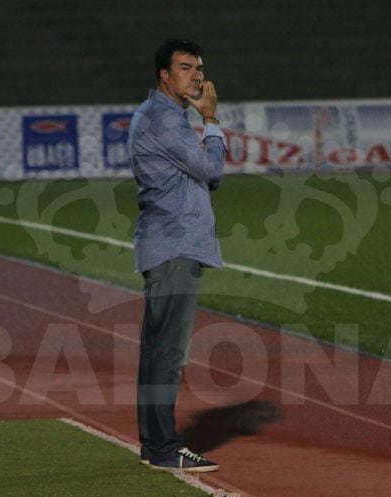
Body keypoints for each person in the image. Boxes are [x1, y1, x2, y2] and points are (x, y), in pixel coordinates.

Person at [128, 39, 226, 472]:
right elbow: (211, 171)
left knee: (157, 351)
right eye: (185, 68)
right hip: (174, 244)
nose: (196, 76)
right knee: (167, 353)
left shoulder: (161, 116)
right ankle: (165, 448)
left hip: (165, 243)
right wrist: (212, 121)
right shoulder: (164, 119)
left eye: (198, 68)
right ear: (164, 76)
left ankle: (154, 444)